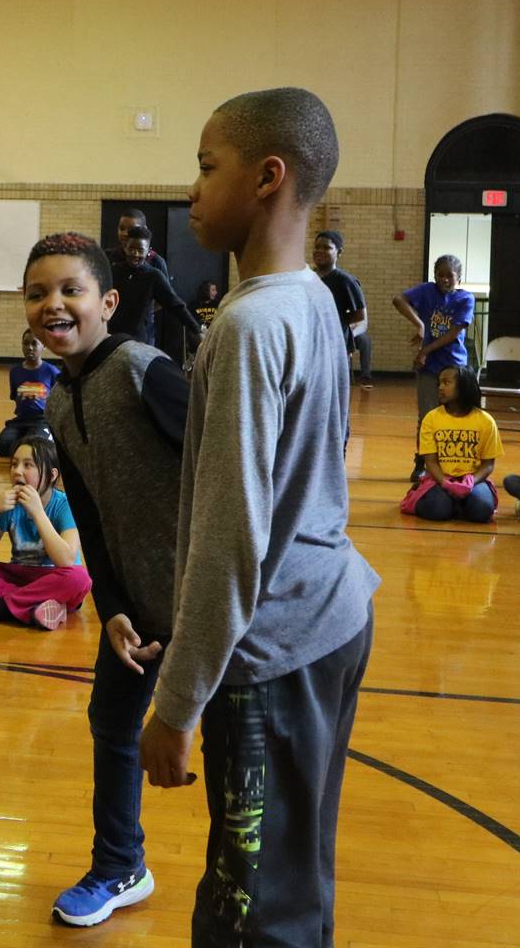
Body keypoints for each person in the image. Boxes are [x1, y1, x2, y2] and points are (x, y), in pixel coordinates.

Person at [138, 87, 378, 948]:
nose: (193, 190)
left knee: (251, 915)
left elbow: (233, 539)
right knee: (293, 876)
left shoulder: (246, 327)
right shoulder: (311, 295)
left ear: (269, 177)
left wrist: (177, 702)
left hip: (277, 645)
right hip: (335, 610)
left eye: (208, 167)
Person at [25, 230, 189, 928]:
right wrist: (113, 605)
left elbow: (226, 473)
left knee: (237, 742)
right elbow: (89, 517)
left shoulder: (144, 371)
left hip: (212, 601)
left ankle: (253, 886)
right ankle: (122, 865)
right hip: (138, 605)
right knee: (112, 722)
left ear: (109, 301)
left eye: (71, 290)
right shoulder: (59, 402)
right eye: (37, 293)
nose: (52, 304)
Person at [0, 435, 90, 630]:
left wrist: (38, 512)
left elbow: (66, 560)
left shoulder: (64, 505)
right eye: (14, 464)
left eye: (28, 465)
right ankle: (35, 606)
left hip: (55, 577)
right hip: (19, 576)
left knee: (79, 579)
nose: (17, 471)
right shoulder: (8, 503)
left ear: (51, 475)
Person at [392, 255, 474, 479]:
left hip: (453, 365)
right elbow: (398, 300)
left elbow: (453, 333)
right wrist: (419, 324)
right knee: (427, 416)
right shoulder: (427, 291)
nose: (445, 279)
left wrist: (425, 350)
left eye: (450, 275)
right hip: (429, 368)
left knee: (453, 414)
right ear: (434, 275)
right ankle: (422, 462)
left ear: (459, 277)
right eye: (440, 274)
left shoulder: (465, 299)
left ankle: (452, 461)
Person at [411, 365, 502, 522]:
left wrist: (471, 481)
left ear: (464, 385)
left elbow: (488, 464)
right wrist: (445, 482)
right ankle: (447, 502)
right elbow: (430, 462)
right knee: (438, 510)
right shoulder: (432, 418)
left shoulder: (485, 421)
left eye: (446, 383)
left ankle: (459, 503)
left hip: (473, 480)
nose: (440, 388)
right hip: (440, 478)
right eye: (439, 383)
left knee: (482, 511)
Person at [111, 226, 205, 345]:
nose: (135, 254)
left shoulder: (153, 276)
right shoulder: (114, 271)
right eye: (131, 249)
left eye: (140, 250)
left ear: (148, 251)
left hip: (138, 341)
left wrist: (196, 330)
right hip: (112, 337)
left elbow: (176, 305)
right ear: (125, 248)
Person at [312, 231, 371, 389]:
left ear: (338, 252)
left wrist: (345, 336)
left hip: (334, 351)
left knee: (334, 397)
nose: (320, 251)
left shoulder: (346, 281)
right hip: (309, 347)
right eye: (317, 247)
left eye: (326, 247)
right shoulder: (306, 278)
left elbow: (361, 319)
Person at [0, 328, 60, 458]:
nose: (29, 348)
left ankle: (40, 438)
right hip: (21, 420)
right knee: (2, 445)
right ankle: (25, 438)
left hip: (41, 420)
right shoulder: (15, 371)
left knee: (35, 448)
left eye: (34, 343)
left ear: (44, 346)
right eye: (26, 343)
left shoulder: (52, 371)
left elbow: (59, 399)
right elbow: (15, 397)